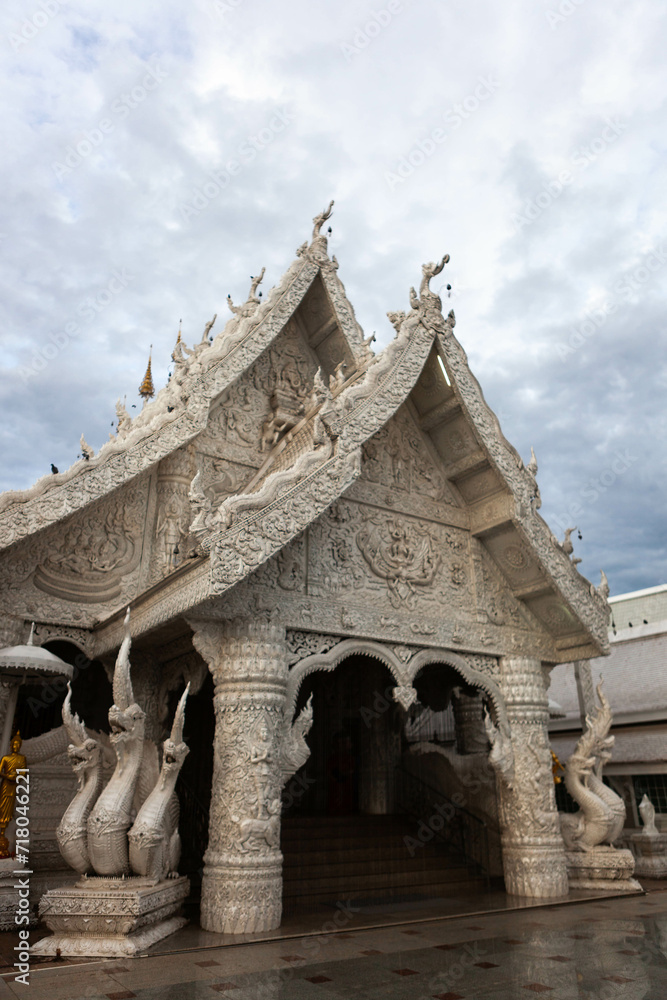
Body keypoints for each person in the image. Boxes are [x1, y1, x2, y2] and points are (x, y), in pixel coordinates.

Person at [0, 732, 27, 858]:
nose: (15, 746)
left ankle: (2, 834)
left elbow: (23, 773)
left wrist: (16, 777)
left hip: (13, 787)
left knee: (8, 812)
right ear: (10, 745)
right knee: (2, 808)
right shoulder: (6, 758)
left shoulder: (22, 759)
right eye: (14, 744)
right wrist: (7, 776)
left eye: (17, 744)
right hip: (5, 786)